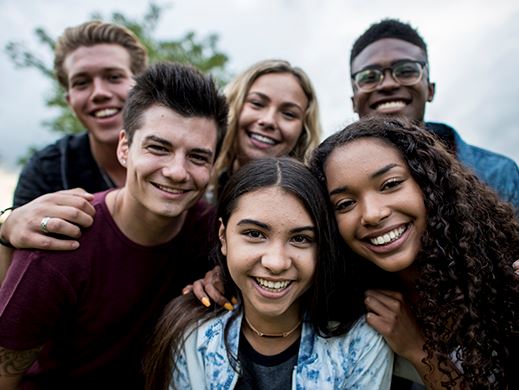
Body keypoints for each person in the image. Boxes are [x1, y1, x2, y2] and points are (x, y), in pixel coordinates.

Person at [0, 62, 228, 389]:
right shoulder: (61, 241)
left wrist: (226, 276)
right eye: (158, 148)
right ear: (124, 147)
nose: (177, 171)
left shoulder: (213, 233)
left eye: (197, 157)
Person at [144, 157, 393, 390]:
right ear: (223, 236)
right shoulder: (193, 335)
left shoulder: (359, 342)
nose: (276, 262)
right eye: (254, 234)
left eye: (300, 238)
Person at [309, 116, 519, 389]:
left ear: (430, 183)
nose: (372, 214)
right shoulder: (345, 307)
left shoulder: (507, 276)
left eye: (390, 184)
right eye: (345, 203)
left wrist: (417, 349)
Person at [0, 20, 148, 258]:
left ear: (141, 88)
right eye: (82, 82)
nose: (99, 92)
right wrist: (8, 230)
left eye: (113, 77)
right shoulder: (48, 170)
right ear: (70, 101)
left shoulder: (187, 159)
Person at [349, 18, 519, 212]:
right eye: (369, 77)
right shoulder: (330, 182)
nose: (388, 84)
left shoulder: (498, 174)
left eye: (406, 70)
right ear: (354, 100)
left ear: (430, 90)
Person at [209, 59, 322, 201]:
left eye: (288, 114)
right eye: (257, 103)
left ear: (303, 131)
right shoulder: (198, 189)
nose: (269, 120)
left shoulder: (312, 203)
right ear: (232, 106)